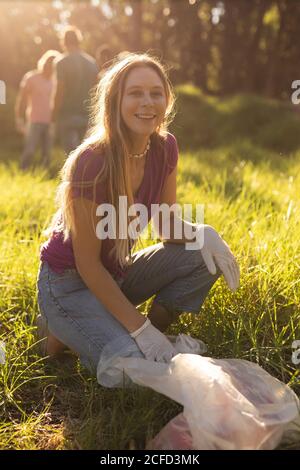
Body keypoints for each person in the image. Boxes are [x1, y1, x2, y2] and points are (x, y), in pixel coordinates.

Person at [36, 53, 240, 377]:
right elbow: (87, 265)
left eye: (155, 93)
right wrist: (140, 331)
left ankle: (142, 332)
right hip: (69, 283)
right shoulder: (91, 161)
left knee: (202, 256)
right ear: (116, 100)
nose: (147, 102)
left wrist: (203, 233)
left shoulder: (165, 147)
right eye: (135, 93)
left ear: (167, 100)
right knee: (134, 370)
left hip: (115, 273)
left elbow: (165, 223)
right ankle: (60, 325)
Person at [52, 26, 99, 154]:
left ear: (64, 42)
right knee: (86, 152)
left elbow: (59, 89)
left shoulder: (61, 62)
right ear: (79, 41)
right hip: (87, 113)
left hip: (67, 114)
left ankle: (75, 174)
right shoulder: (91, 62)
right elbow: (97, 89)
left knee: (70, 154)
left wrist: (54, 113)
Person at [15, 50, 60, 170]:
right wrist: (19, 119)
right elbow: (22, 99)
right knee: (29, 150)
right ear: (43, 64)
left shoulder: (56, 81)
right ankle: (23, 170)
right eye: (48, 64)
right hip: (34, 120)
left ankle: (45, 174)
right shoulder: (31, 78)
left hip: (50, 122)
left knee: (47, 153)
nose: (49, 68)